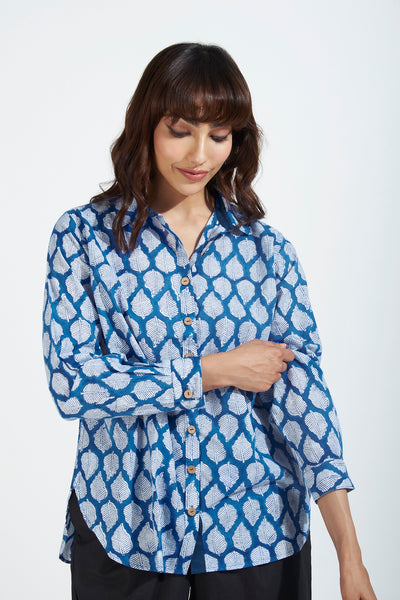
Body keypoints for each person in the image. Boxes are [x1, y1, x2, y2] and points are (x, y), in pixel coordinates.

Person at [42, 42, 377, 600]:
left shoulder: (268, 252)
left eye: (219, 135)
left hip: (257, 527)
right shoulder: (84, 238)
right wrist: (211, 371)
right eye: (181, 130)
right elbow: (73, 383)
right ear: (147, 125)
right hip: (126, 523)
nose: (200, 154)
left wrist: (350, 553)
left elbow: (305, 402)